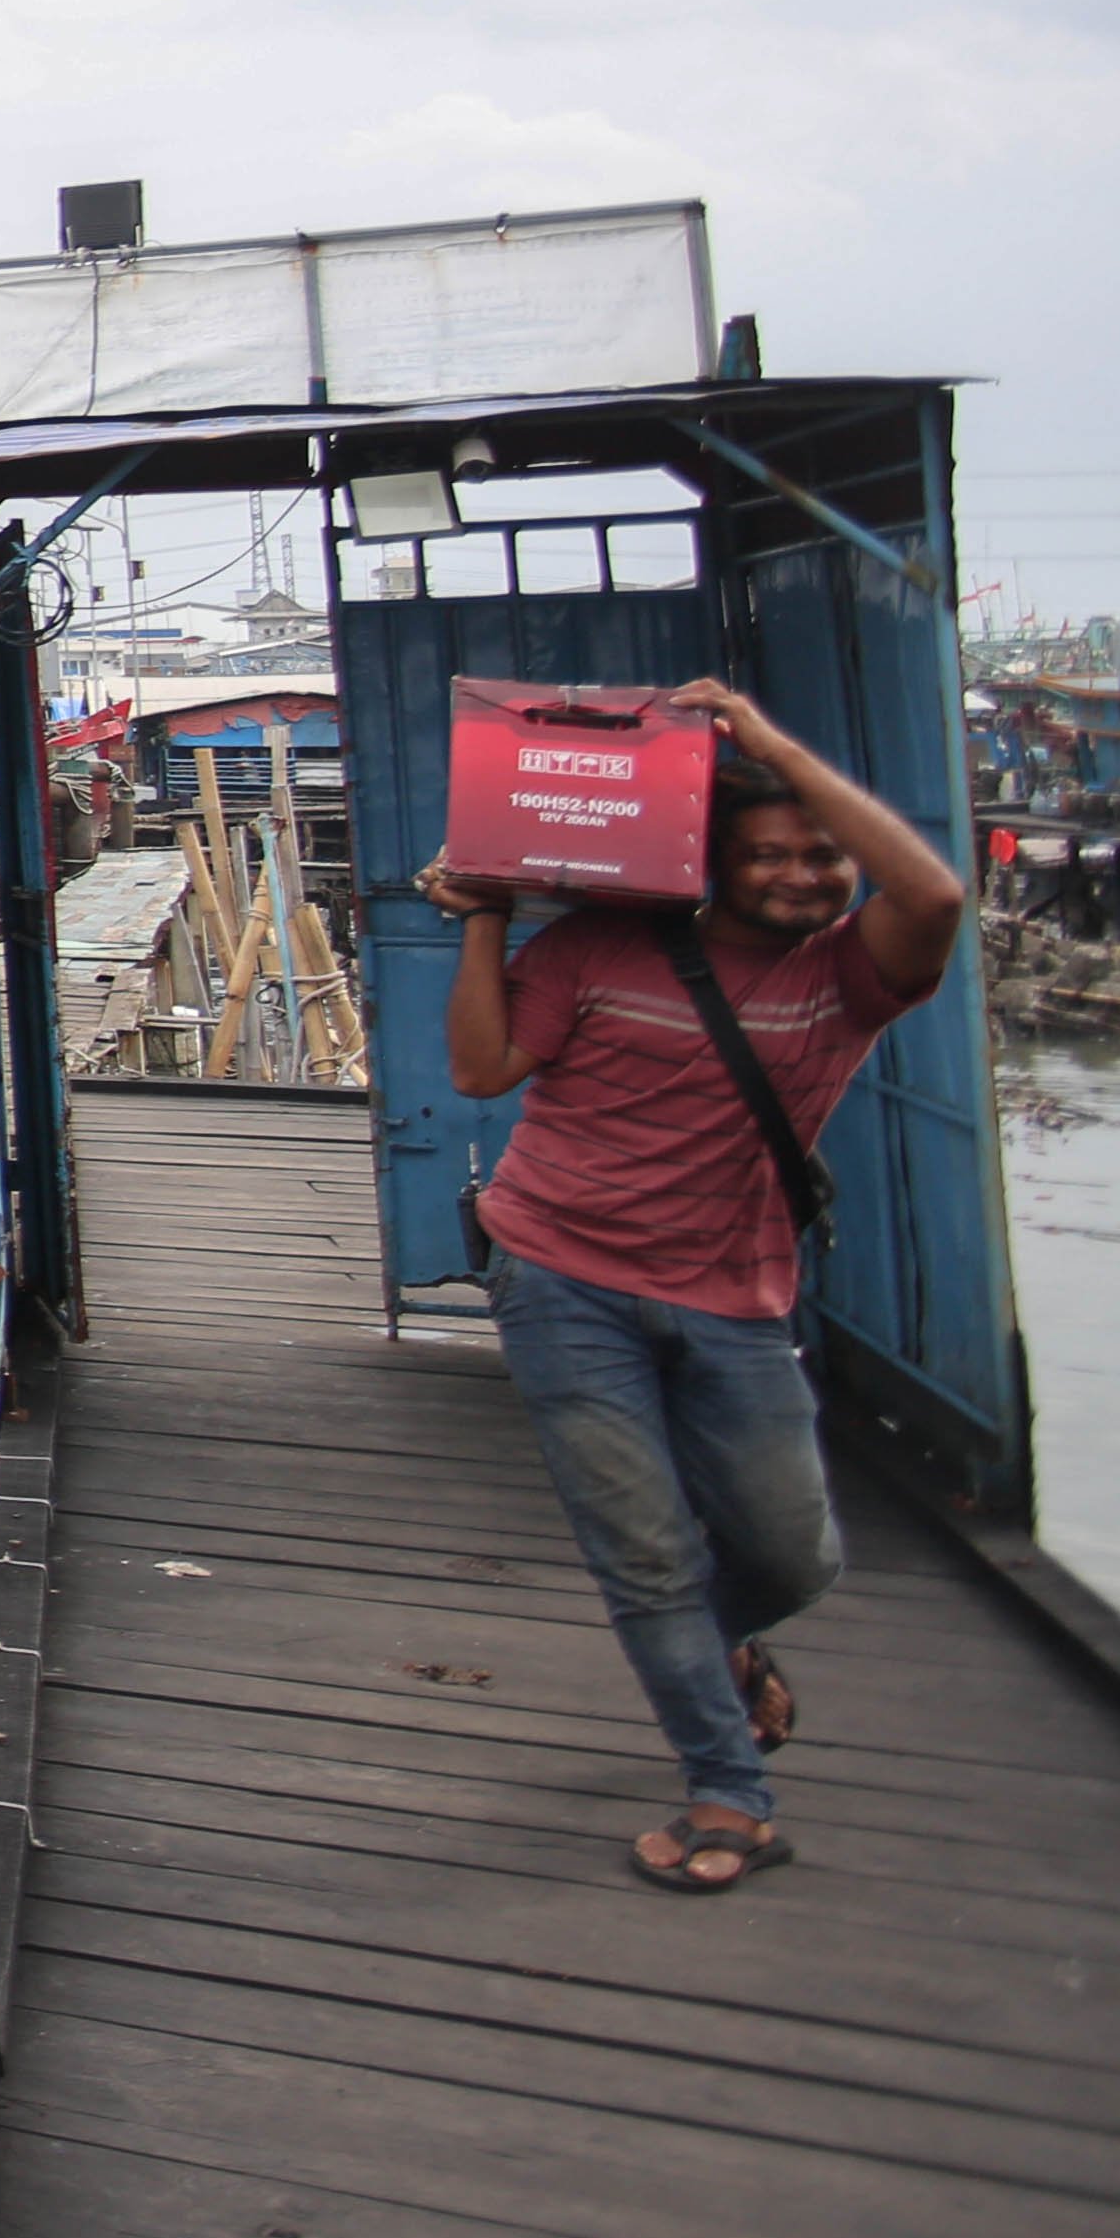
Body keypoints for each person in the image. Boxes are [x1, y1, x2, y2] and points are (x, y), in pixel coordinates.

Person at [421, 678, 966, 1895]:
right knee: (648, 1557)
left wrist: (768, 745)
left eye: (821, 858)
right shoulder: (596, 947)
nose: (801, 877)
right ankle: (729, 1794)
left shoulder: (849, 974)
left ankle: (716, 1647)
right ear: (712, 863)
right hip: (559, 1278)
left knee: (793, 1557)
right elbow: (479, 1069)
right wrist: (485, 920)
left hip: (734, 1291)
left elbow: (933, 894)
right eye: (767, 855)